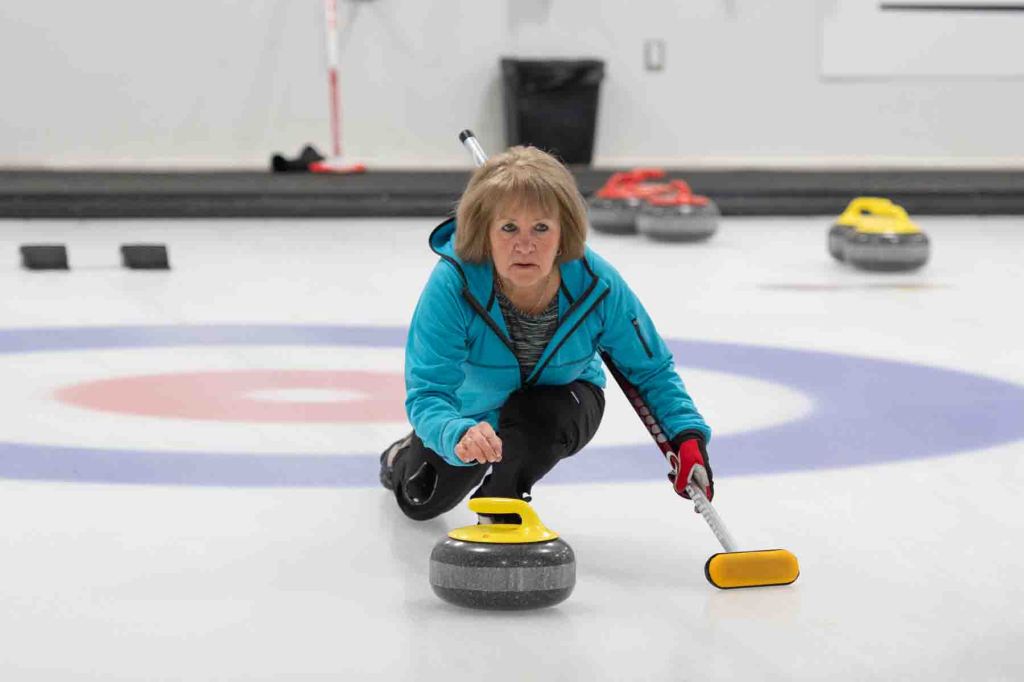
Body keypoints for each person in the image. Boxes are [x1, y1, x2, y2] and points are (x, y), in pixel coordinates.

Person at [379, 146, 712, 522]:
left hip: (562, 398)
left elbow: (651, 370)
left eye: (541, 228)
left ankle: (500, 506)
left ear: (563, 231)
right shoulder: (453, 284)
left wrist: (686, 436)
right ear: (484, 232)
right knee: (419, 501)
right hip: (470, 410)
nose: (525, 245)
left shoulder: (597, 284)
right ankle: (402, 454)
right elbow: (429, 393)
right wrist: (455, 433)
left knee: (540, 420)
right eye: (509, 228)